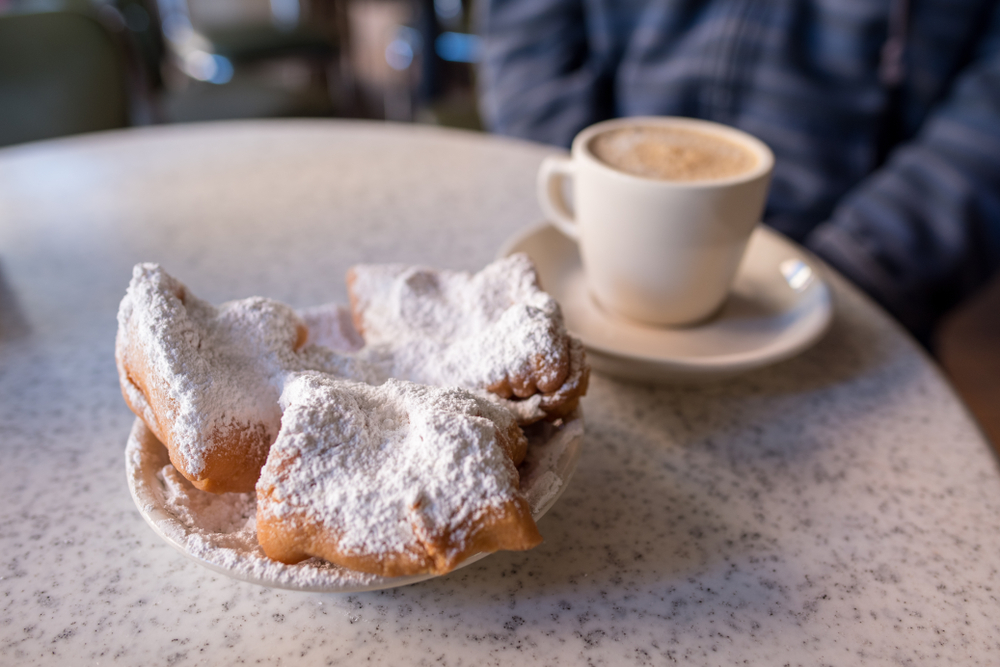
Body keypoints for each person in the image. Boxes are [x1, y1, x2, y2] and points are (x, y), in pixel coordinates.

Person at [475, 0, 1000, 345]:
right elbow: (527, 27)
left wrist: (863, 264)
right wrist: (592, 189)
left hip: (855, 284)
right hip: (599, 247)